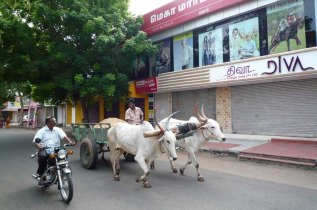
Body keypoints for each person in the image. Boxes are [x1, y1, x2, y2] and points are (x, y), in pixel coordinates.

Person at [33, 116, 75, 187]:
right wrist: (39, 146)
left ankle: (59, 170)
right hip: (45, 149)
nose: (54, 123)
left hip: (56, 149)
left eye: (55, 121)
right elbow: (36, 142)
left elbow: (64, 137)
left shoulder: (58, 130)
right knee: (43, 157)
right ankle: (41, 175)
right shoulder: (41, 131)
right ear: (47, 123)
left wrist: (70, 142)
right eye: (52, 121)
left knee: (63, 155)